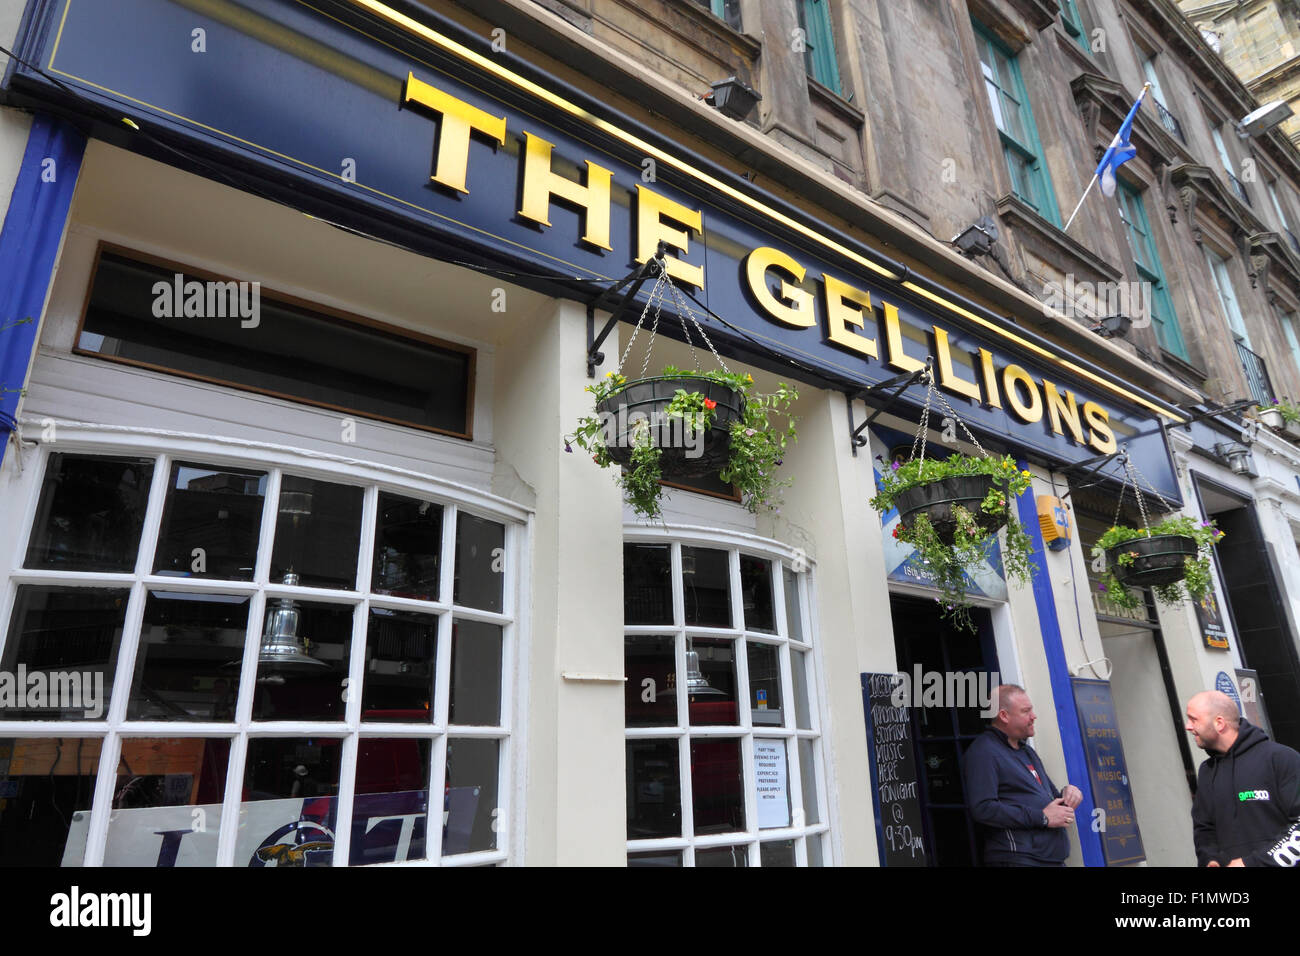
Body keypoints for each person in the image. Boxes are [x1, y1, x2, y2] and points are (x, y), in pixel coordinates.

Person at [962, 684, 1083, 866]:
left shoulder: (1026, 751)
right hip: (1018, 859)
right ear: (1004, 716)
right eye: (1026, 711)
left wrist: (1068, 795)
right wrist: (1042, 817)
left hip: (1051, 859)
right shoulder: (983, 752)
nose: (1033, 716)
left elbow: (1049, 802)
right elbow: (983, 808)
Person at [1186, 690, 1300, 867]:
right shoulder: (1207, 771)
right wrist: (1210, 859)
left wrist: (1251, 864)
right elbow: (1204, 829)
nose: (1188, 726)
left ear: (1219, 723)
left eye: (1193, 719)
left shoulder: (1281, 759)